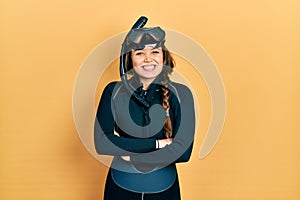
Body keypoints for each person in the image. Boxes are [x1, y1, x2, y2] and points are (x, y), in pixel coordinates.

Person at [94, 25, 195, 200]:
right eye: (139, 53)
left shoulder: (181, 94)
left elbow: (183, 152)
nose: (148, 59)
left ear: (164, 56)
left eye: (155, 52)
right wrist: (158, 144)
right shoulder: (114, 91)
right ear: (129, 59)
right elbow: (103, 143)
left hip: (164, 186)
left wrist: (131, 156)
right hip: (121, 184)